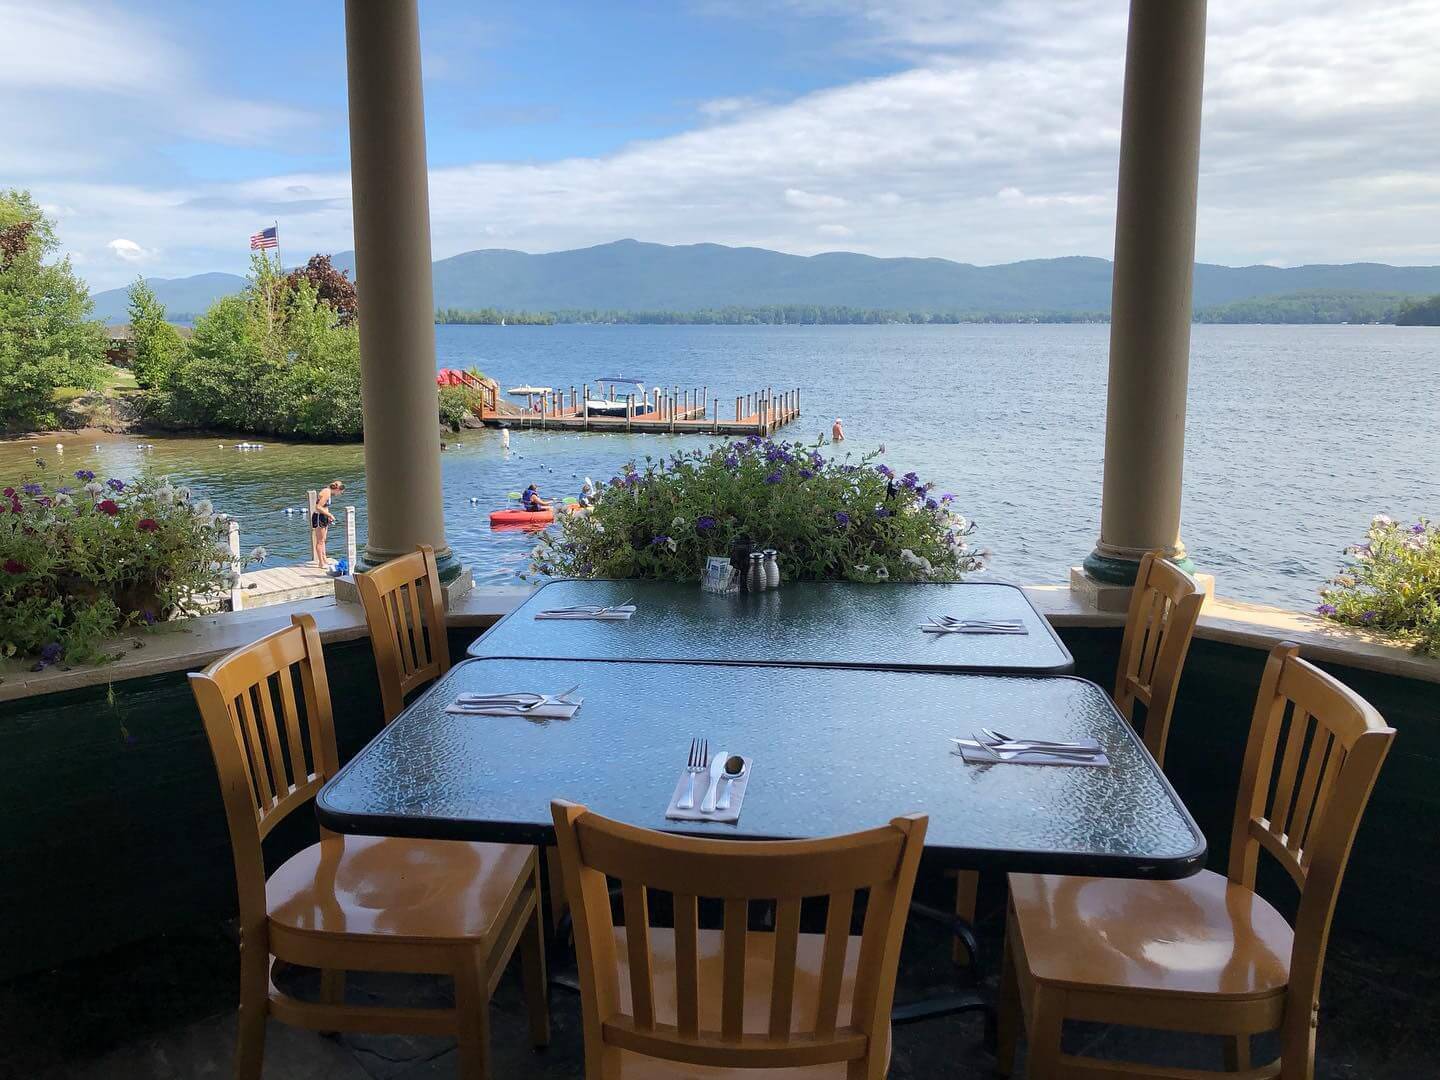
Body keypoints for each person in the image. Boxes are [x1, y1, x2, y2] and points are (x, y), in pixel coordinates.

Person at [311, 480, 344, 568]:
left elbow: (325, 507)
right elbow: (318, 507)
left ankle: (324, 559)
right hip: (319, 517)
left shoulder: (328, 492)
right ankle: (321, 563)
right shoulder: (326, 492)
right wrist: (330, 515)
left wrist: (328, 517)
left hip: (324, 516)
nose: (340, 494)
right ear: (337, 489)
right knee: (320, 541)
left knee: (323, 540)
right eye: (341, 492)